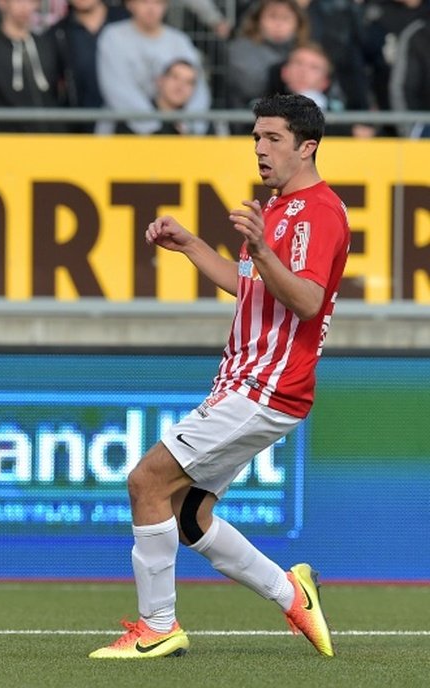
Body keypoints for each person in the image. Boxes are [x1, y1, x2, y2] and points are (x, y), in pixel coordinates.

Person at [89, 93, 349, 659]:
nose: (259, 148)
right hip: (244, 382)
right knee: (189, 515)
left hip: (267, 387)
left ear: (307, 147)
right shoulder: (276, 208)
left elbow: (306, 299)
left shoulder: (319, 213)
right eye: (256, 137)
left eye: (273, 138)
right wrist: (191, 247)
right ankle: (292, 592)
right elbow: (250, 283)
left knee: (146, 482)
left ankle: (158, 626)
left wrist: (261, 247)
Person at [96, 0, 211, 135]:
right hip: (125, 132)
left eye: (158, 2)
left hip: (176, 133)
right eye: (144, 2)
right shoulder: (113, 37)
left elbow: (198, 87)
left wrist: (190, 126)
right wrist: (153, 127)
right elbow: (118, 89)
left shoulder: (180, 41)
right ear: (130, 4)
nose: (151, 8)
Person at [0, 0, 66, 133]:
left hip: (52, 143)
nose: (25, 7)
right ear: (2, 3)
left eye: (31, 1)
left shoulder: (47, 46)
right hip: (7, 145)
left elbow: (57, 96)